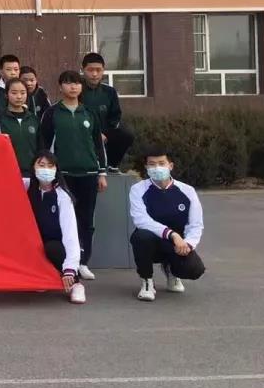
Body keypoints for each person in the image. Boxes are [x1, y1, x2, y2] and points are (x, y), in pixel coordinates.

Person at [39, 70, 107, 282]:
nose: (73, 87)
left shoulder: (89, 113)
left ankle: (83, 262)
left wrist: (102, 172)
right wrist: (47, 173)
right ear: (61, 87)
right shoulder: (51, 113)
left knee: (86, 219)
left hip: (88, 174)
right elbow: (44, 145)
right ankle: (65, 262)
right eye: (68, 83)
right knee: (65, 220)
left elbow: (98, 145)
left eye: (77, 83)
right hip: (63, 176)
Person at [129, 149, 206, 302]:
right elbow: (141, 220)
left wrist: (188, 244)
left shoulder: (187, 191)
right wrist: (172, 234)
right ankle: (147, 281)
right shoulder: (138, 189)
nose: (157, 168)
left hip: (177, 245)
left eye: (161, 163)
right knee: (141, 236)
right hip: (152, 242)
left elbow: (196, 224)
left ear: (170, 166)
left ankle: (172, 271)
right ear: (146, 167)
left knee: (195, 270)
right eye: (152, 164)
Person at [23, 152, 86, 304]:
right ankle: (42, 277)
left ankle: (76, 284)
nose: (46, 169)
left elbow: (70, 235)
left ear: (56, 169)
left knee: (52, 248)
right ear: (33, 167)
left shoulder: (62, 196)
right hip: (33, 242)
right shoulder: (26, 186)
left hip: (56, 244)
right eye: (41, 165)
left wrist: (70, 268)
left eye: (50, 166)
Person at [81, 52, 134, 171]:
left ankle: (111, 165)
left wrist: (105, 134)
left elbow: (115, 117)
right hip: (82, 134)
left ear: (103, 70)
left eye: (98, 70)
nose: (94, 74)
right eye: (90, 70)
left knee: (126, 135)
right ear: (83, 70)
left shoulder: (110, 92)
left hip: (104, 134)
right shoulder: (77, 90)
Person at [0, 78, 42, 176]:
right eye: (14, 93)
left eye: (23, 93)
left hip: (32, 173)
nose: (19, 96)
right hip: (6, 173)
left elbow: (41, 147)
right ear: (6, 95)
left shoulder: (34, 119)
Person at [0, 54, 22, 128]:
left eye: (16, 69)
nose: (13, 73)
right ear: (1, 72)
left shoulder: (25, 91)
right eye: (8, 69)